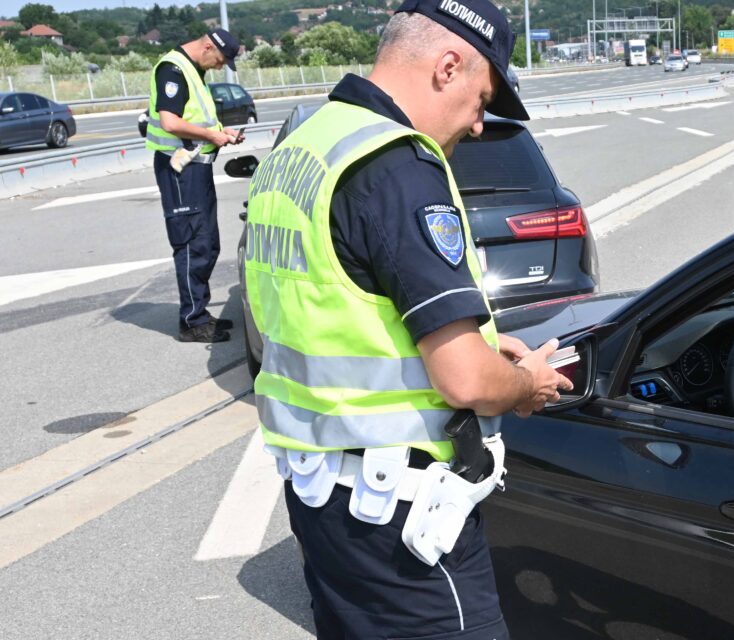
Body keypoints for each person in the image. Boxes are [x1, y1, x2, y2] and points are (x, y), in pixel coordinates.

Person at [244, 0, 571, 637]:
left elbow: (337, 302)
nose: (479, 126)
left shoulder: (304, 147)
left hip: (321, 499)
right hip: (400, 515)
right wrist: (525, 383)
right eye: (482, 100)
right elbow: (467, 383)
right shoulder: (398, 165)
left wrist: (480, 338)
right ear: (448, 66)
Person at [145, 28, 244, 343]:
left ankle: (199, 313)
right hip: (179, 171)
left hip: (196, 169)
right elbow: (170, 122)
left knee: (207, 242)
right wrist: (213, 137)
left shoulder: (192, 70)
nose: (219, 67)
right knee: (192, 244)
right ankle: (191, 322)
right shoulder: (173, 69)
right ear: (207, 46)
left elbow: (193, 121)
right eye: (220, 60)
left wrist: (220, 131)